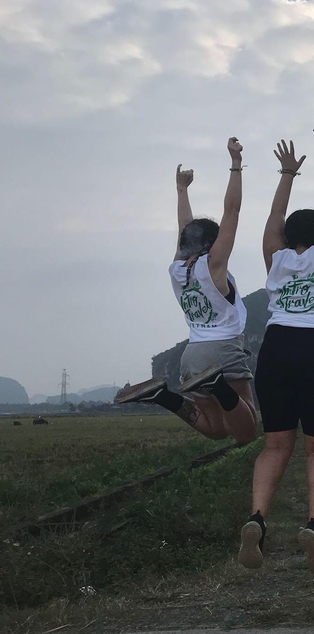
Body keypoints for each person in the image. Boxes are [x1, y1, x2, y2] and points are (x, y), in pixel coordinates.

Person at [236, 132, 314, 576]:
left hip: (277, 348)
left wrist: (286, 173)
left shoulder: (274, 257)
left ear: (285, 237)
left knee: (275, 444)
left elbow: (272, 216)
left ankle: (257, 517)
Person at [115, 138, 257, 446]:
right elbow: (232, 210)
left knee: (217, 429)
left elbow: (184, 227)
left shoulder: (177, 269)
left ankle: (163, 396)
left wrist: (182, 189)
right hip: (223, 351)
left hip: (192, 355)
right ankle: (218, 385)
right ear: (213, 243)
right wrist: (235, 163)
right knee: (247, 430)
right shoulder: (214, 266)